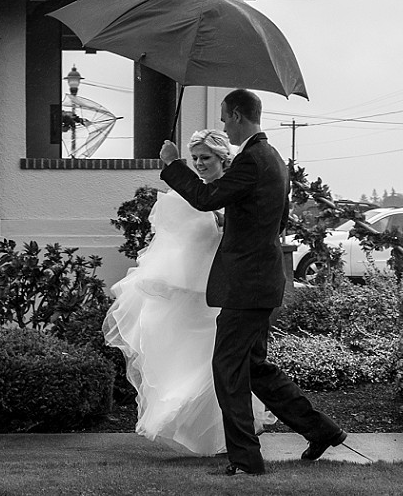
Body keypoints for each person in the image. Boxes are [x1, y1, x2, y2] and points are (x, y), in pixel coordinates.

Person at [159, 89, 346, 476]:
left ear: (239, 115)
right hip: (263, 279)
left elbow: (207, 197)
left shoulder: (250, 160)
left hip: (247, 284)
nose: (224, 125)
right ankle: (322, 430)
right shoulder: (273, 158)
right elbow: (275, 219)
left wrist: (173, 164)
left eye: (226, 118)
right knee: (254, 368)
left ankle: (246, 459)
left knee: (227, 368)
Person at [103, 129, 275, 456]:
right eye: (194, 158)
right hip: (193, 297)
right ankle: (204, 437)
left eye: (206, 158)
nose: (199, 164)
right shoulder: (181, 197)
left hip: (225, 296)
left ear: (224, 159)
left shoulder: (234, 194)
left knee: (222, 370)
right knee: (198, 366)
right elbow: (172, 246)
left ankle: (227, 440)